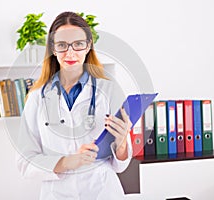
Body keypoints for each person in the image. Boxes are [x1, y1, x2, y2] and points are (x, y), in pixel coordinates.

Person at [16, 11, 133, 200]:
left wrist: (121, 145)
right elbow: (25, 162)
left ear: (88, 46)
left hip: (102, 191)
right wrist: (67, 162)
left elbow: (121, 165)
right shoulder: (37, 97)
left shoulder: (109, 90)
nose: (70, 53)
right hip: (57, 194)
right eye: (62, 45)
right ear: (53, 49)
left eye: (78, 44)